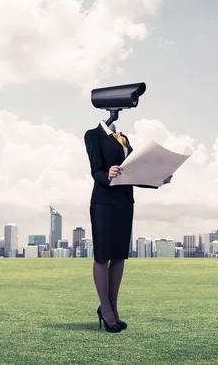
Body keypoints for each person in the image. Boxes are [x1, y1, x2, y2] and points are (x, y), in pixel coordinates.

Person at [84, 120, 172, 333]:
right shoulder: (93, 135)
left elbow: (135, 174)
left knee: (119, 257)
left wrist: (158, 180)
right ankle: (104, 309)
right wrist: (108, 174)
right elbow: (96, 171)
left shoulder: (124, 139)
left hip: (124, 203)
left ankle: (113, 309)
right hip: (103, 203)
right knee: (103, 256)